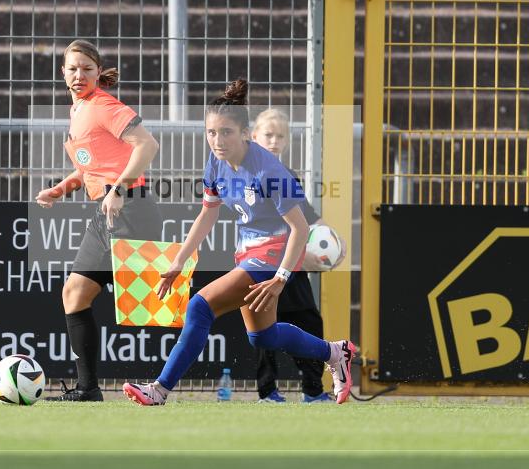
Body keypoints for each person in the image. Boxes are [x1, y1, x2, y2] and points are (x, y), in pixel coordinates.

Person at [122, 79, 356, 406]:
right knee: (263, 335)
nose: (217, 140)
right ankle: (336, 352)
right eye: (211, 133)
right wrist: (179, 260)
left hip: (272, 257)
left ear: (245, 133)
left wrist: (281, 278)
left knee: (200, 308)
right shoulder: (216, 162)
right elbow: (207, 214)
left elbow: (300, 230)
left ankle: (159, 390)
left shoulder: (270, 172)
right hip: (248, 255)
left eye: (227, 132)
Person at [35, 39, 162, 402]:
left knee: (162, 305)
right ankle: (88, 389)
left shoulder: (103, 105)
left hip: (131, 211)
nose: (79, 75)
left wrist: (119, 188)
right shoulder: (79, 110)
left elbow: (147, 145)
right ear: (62, 73)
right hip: (107, 211)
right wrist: (60, 189)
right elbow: (89, 166)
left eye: (87, 69)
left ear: (97, 72)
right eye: (73, 69)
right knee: (74, 294)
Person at [250, 108, 345, 403]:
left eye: (281, 136)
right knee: (266, 329)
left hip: (293, 268)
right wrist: (304, 257)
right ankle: (268, 391)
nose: (274, 141)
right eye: (269, 135)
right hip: (265, 265)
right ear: (254, 137)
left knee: (309, 323)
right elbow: (268, 230)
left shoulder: (287, 175)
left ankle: (313, 390)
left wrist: (332, 241)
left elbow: (307, 215)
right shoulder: (251, 176)